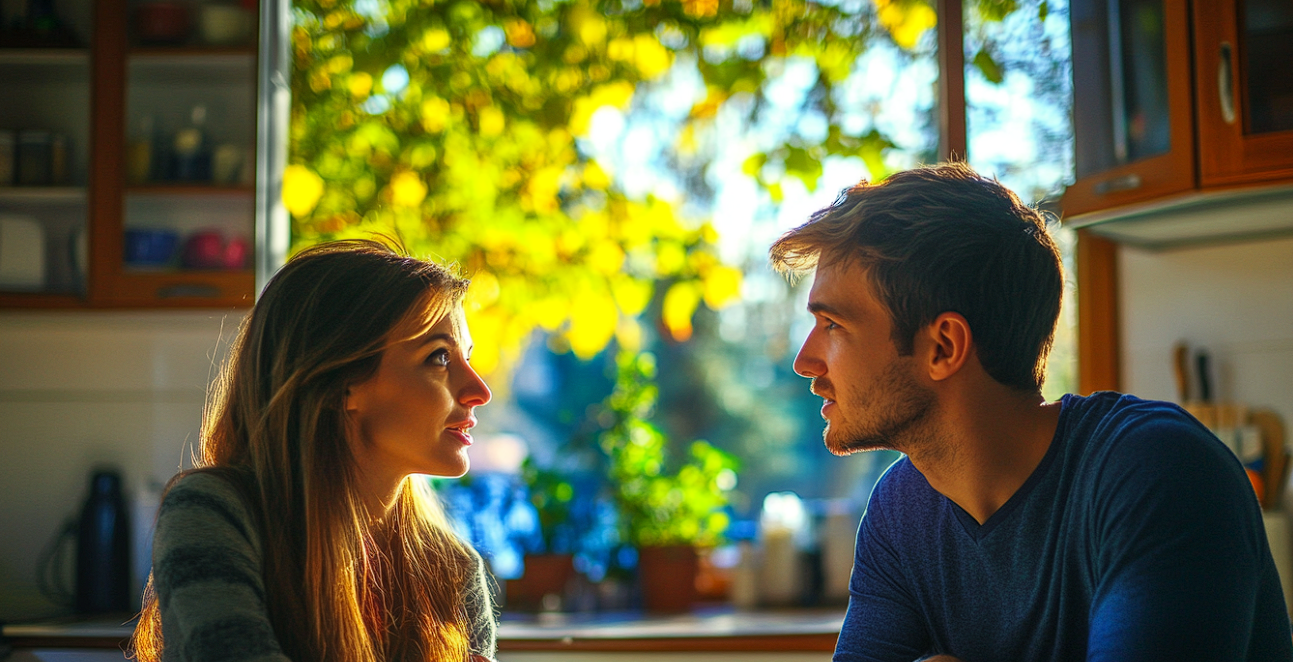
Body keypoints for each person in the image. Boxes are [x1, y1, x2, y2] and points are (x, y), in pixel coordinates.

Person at [769, 163, 1293, 662]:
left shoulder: (1157, 472)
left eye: (833, 325)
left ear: (944, 347)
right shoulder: (900, 512)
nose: (804, 361)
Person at [131, 239, 497, 662]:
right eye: (439, 358)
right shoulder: (215, 514)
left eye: (467, 358)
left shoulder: (451, 570)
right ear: (342, 383)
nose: (479, 391)